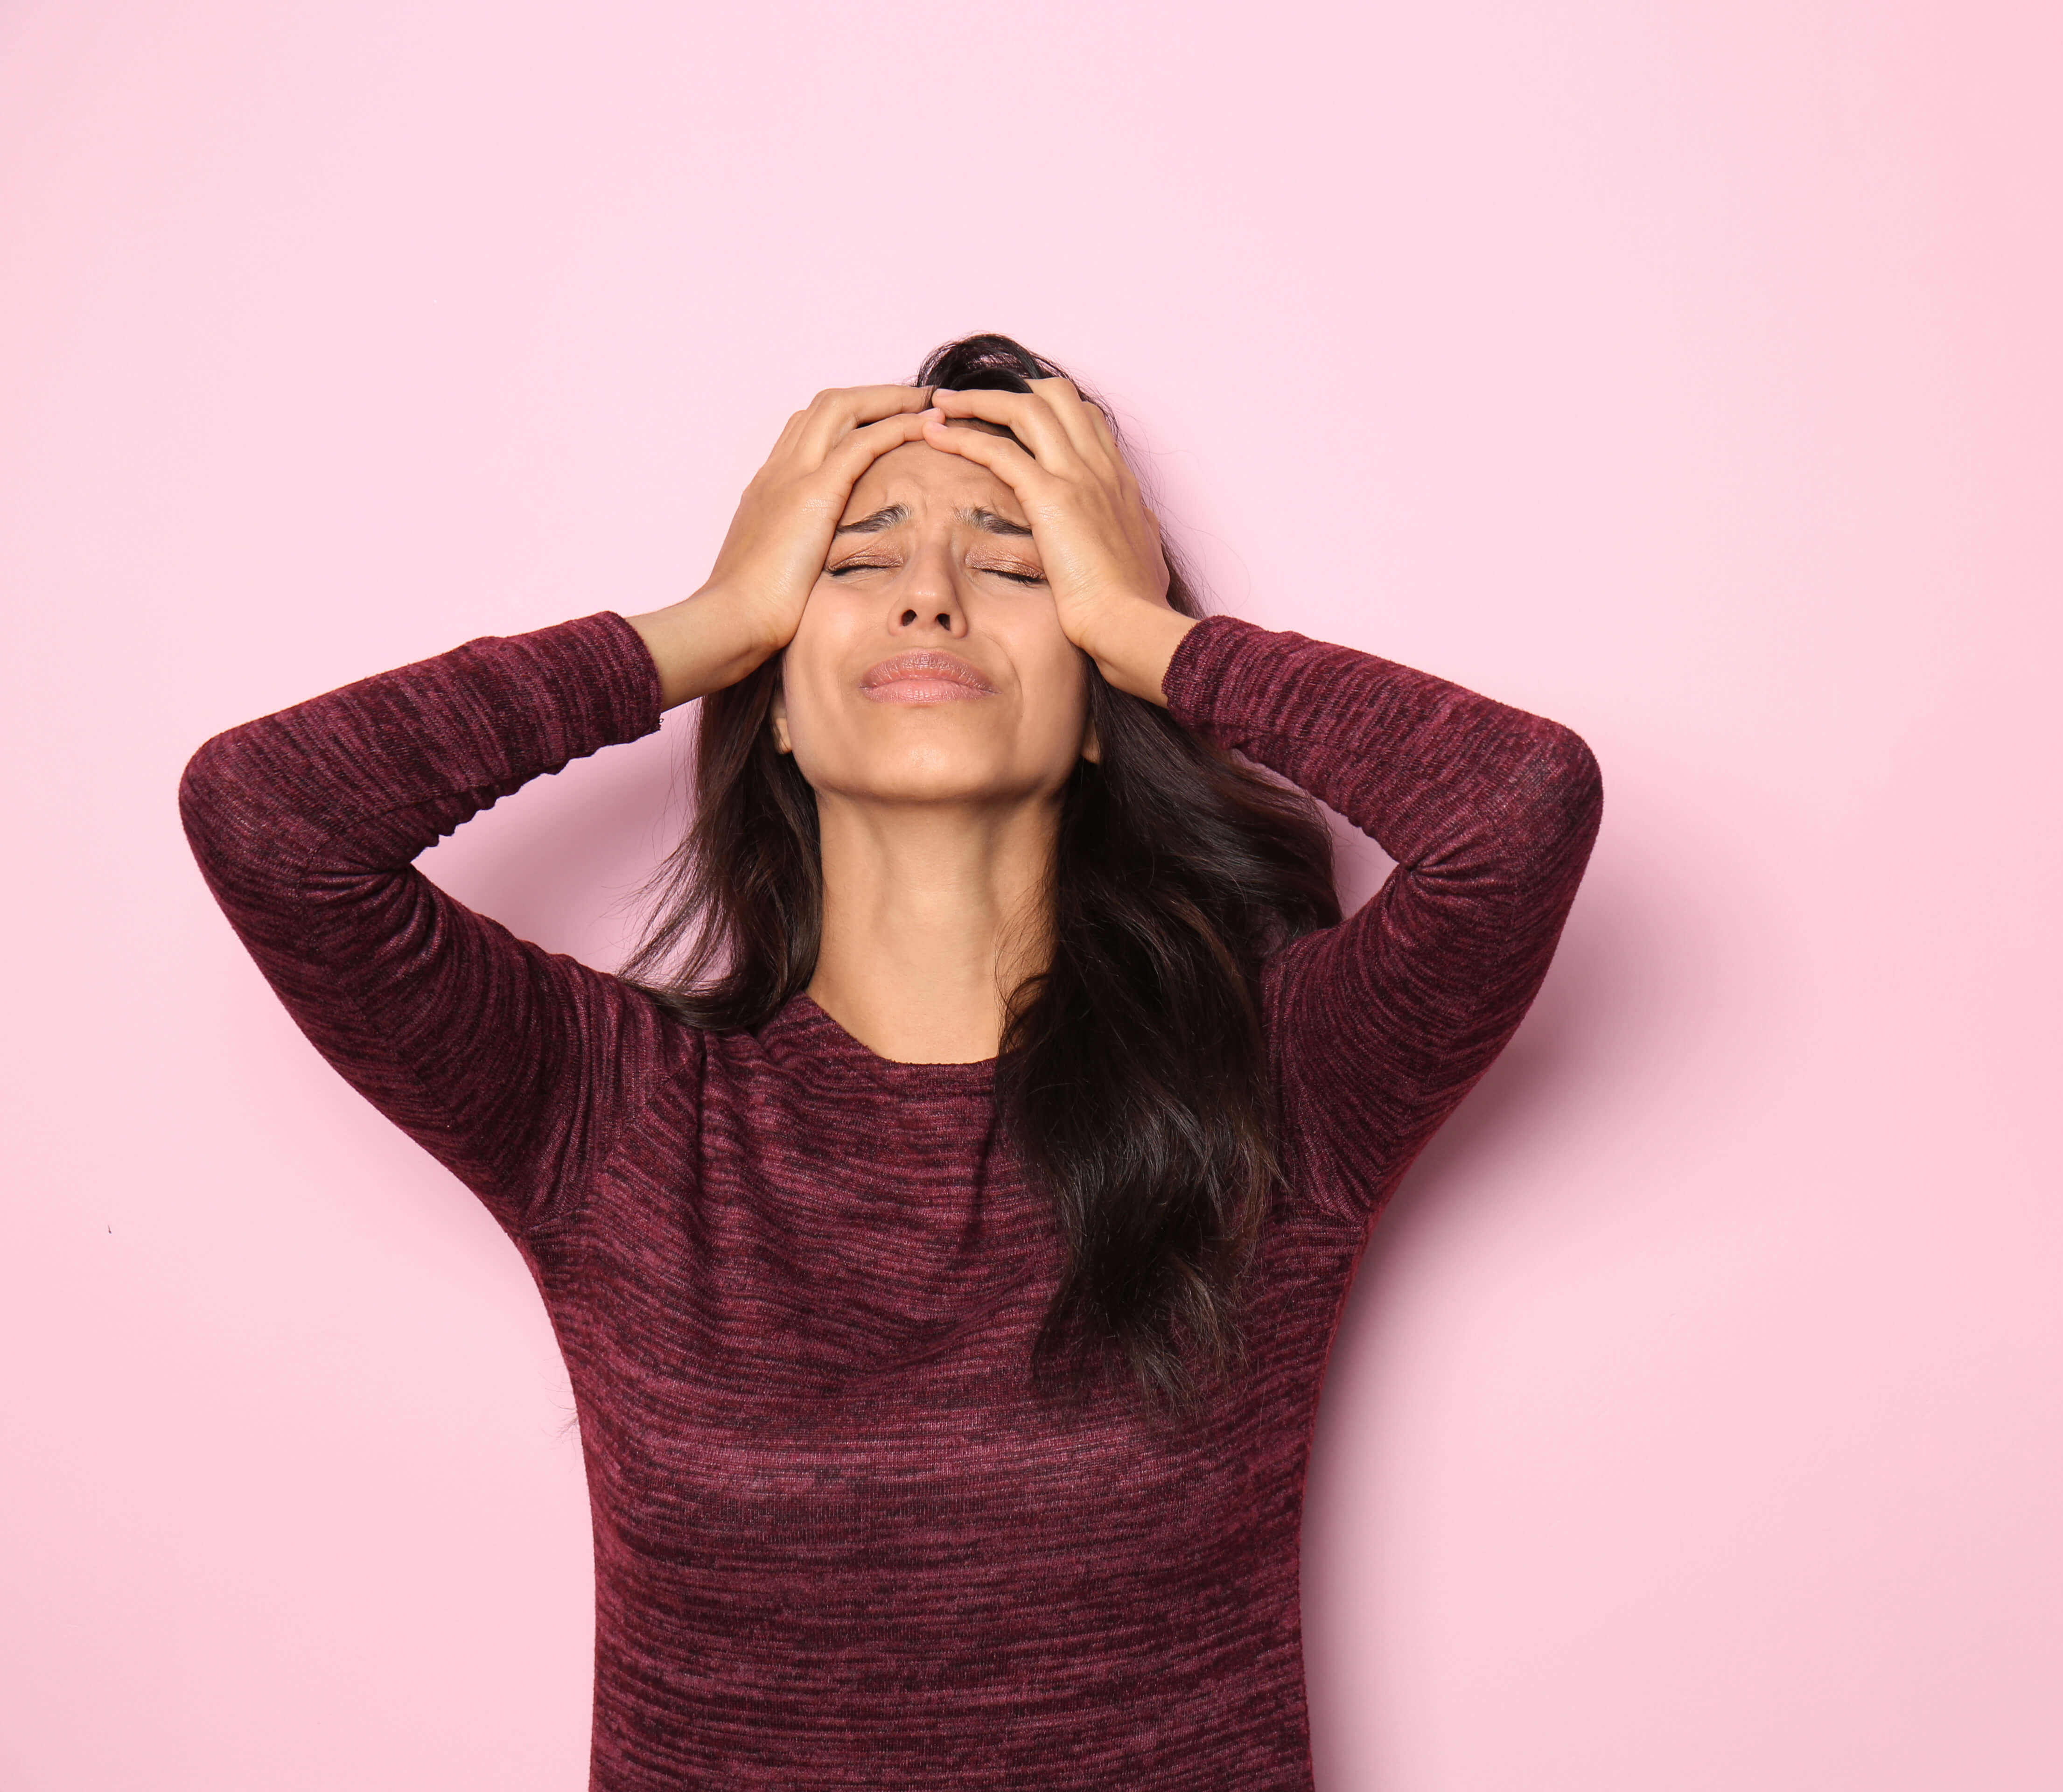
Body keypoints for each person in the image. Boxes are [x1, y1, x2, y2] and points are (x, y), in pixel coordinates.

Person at [180, 333, 1602, 1790]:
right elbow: (270, 821)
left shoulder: (1283, 1077)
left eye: (1018, 559)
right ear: (773, 702)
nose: (931, 592)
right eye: (853, 561)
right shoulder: (608, 1108)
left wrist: (1152, 633)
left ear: (1109, 703)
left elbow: (1519, 811)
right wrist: (702, 622)